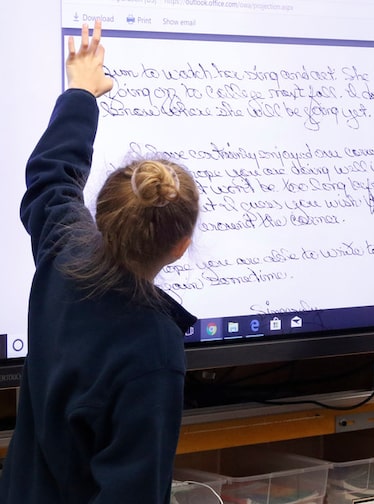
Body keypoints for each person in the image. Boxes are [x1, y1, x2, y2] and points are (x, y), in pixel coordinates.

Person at [0, 21, 200, 503]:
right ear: (181, 245)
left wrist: (81, 92)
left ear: (102, 216)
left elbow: (51, 177)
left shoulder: (63, 256)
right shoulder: (153, 351)